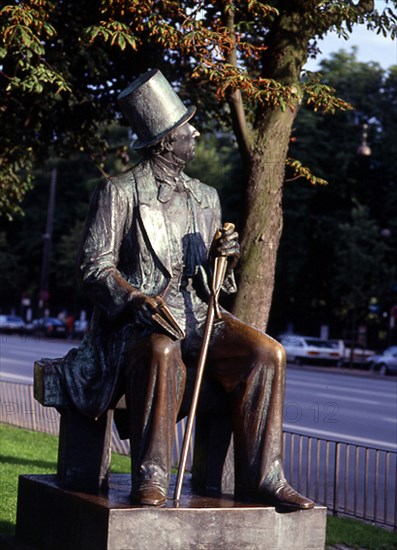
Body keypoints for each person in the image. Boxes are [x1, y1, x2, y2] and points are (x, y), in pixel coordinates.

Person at [64, 69, 314, 510]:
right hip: (139, 327)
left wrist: (225, 257)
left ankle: (265, 477)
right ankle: (152, 475)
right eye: (186, 127)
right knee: (162, 351)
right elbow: (94, 268)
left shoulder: (206, 197)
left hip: (201, 317)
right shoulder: (118, 192)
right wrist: (135, 298)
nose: (195, 132)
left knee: (268, 353)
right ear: (165, 142)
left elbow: (213, 282)